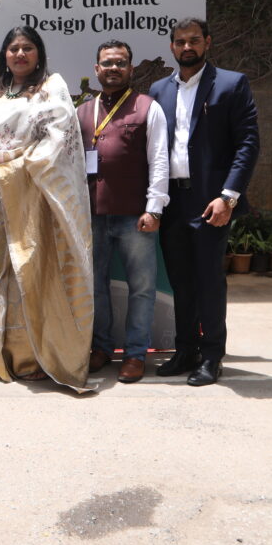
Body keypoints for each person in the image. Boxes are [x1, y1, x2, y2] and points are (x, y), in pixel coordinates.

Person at [0, 26, 92, 390]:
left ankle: (37, 356)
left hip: (35, 194)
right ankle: (4, 353)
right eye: (13, 49)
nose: (20, 54)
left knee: (33, 263)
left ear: (39, 53)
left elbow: (56, 145)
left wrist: (7, 171)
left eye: (27, 48)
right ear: (4, 55)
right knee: (3, 268)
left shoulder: (51, 89)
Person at [148, 18, 259, 386]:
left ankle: (212, 356)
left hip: (211, 199)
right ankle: (185, 350)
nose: (187, 47)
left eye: (194, 40)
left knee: (209, 280)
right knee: (180, 281)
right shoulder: (158, 90)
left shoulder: (230, 84)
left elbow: (247, 144)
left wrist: (228, 196)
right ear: (172, 47)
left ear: (207, 42)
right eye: (180, 41)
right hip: (173, 200)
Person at [77, 40, 169, 383]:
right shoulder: (83, 112)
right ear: (96, 69)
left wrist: (154, 209)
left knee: (142, 287)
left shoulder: (148, 108)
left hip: (135, 215)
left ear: (131, 69)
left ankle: (134, 354)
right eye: (107, 63)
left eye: (120, 63)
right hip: (92, 216)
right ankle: (101, 348)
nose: (113, 69)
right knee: (95, 285)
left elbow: (159, 160)